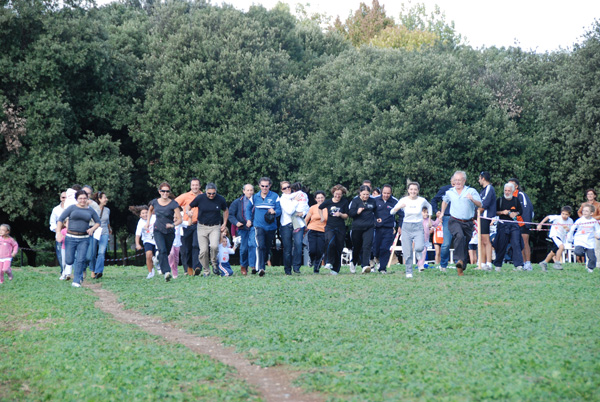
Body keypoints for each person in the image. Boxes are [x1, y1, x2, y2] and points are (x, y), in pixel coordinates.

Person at [55, 190, 101, 288]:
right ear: (76, 199)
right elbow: (60, 220)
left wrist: (92, 229)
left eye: (85, 198)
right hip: (70, 238)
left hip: (84, 238)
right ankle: (73, 272)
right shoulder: (71, 208)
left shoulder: (90, 210)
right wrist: (58, 232)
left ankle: (76, 280)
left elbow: (98, 222)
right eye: (80, 198)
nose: (83, 200)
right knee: (69, 260)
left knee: (80, 259)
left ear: (87, 199)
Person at [440, 171, 482, 276]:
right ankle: (458, 260)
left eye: (460, 180)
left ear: (464, 181)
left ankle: (461, 266)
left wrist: (472, 200)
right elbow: (445, 201)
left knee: (464, 242)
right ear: (453, 181)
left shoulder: (471, 191)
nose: (457, 182)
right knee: (459, 236)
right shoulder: (450, 192)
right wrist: (441, 213)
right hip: (454, 220)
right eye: (456, 180)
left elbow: (480, 204)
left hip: (468, 222)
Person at [390, 182, 432, 278]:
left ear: (418, 191)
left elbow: (430, 207)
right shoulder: (403, 200)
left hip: (418, 226)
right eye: (411, 189)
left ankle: (418, 253)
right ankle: (409, 271)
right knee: (407, 252)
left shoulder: (421, 200)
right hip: (406, 227)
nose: (413, 191)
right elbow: (391, 211)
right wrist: (399, 207)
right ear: (408, 190)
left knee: (420, 247)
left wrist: (429, 219)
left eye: (415, 189)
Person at [187, 183, 228, 276]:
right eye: (209, 193)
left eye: (213, 193)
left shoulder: (220, 199)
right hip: (202, 227)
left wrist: (224, 223)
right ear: (206, 192)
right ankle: (206, 270)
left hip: (215, 226)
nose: (211, 195)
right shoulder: (200, 198)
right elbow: (188, 206)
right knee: (203, 251)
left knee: (214, 246)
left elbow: (226, 210)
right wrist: (188, 212)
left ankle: (214, 263)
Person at [147, 182, 182, 282]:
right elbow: (150, 210)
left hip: (170, 231)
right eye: (163, 191)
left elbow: (180, 219)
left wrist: (173, 225)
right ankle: (166, 272)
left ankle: (157, 258)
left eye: (167, 191)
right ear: (159, 192)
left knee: (165, 252)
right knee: (162, 250)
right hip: (158, 230)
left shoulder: (173, 204)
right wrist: (148, 222)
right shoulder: (154, 202)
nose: (165, 193)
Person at [251, 177, 281, 276]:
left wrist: (275, 212)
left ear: (270, 186)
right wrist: (248, 219)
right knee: (260, 246)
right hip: (258, 226)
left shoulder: (275, 196)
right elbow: (248, 209)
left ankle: (262, 262)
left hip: (271, 227)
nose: (264, 188)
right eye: (262, 186)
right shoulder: (255, 197)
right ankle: (261, 269)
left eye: (266, 186)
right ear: (259, 186)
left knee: (267, 248)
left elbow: (280, 210)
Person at [280, 181, 309, 275]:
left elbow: (306, 207)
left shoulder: (297, 195)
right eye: (284, 188)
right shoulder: (283, 199)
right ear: (282, 190)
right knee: (287, 249)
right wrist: (296, 201)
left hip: (299, 224)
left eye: (288, 187)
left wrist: (303, 213)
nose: (287, 189)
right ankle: (287, 269)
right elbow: (289, 211)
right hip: (286, 224)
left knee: (298, 245)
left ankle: (296, 267)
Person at [493, 183, 524, 272]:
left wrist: (516, 213)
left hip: (514, 224)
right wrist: (502, 212)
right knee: (501, 244)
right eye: (505, 190)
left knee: (516, 243)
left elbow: (520, 211)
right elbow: (495, 212)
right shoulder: (500, 200)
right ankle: (498, 265)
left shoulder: (516, 200)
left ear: (513, 191)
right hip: (503, 224)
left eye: (509, 191)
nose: (507, 192)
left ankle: (519, 266)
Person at [319, 184, 349, 275]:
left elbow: (346, 216)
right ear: (333, 193)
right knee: (330, 242)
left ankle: (335, 269)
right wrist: (322, 217)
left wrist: (340, 214)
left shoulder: (344, 202)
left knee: (339, 247)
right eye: (336, 194)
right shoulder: (328, 202)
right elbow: (320, 208)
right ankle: (328, 262)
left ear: (342, 194)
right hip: (330, 227)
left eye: (339, 194)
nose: (337, 196)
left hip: (340, 227)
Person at [175, 178, 202, 276]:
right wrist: (177, 215)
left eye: (196, 185)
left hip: (199, 224)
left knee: (196, 245)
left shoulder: (203, 196)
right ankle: (188, 268)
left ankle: (197, 267)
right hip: (187, 225)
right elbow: (174, 204)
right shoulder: (185, 196)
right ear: (191, 186)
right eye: (193, 185)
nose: (195, 187)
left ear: (199, 186)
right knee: (187, 248)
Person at [348, 185, 378, 274]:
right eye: (364, 194)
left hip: (369, 227)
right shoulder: (355, 201)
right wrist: (357, 212)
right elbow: (350, 213)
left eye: (367, 194)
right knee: (357, 248)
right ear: (360, 193)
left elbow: (376, 211)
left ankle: (365, 265)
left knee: (367, 246)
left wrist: (378, 219)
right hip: (357, 228)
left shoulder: (372, 201)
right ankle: (353, 262)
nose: (365, 196)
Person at [228, 183, 256, 275]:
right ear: (243, 191)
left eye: (251, 190)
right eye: (247, 190)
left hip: (253, 227)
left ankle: (253, 266)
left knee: (253, 246)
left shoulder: (257, 201)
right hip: (242, 228)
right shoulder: (237, 202)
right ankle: (243, 266)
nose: (249, 192)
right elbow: (231, 215)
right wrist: (236, 222)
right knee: (244, 249)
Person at [373, 184, 400, 273]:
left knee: (385, 248)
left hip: (389, 229)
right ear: (381, 192)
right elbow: (369, 213)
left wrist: (400, 226)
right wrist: (375, 220)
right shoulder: (375, 200)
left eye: (388, 193)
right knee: (375, 248)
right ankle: (375, 260)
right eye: (384, 193)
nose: (386, 195)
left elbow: (402, 215)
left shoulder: (395, 201)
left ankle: (383, 268)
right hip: (376, 229)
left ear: (391, 193)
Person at [508, 178, 534, 271]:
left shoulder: (521, 195)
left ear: (516, 186)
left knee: (525, 242)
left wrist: (525, 224)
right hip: (514, 224)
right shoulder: (509, 197)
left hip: (523, 223)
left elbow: (527, 209)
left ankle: (528, 263)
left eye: (511, 185)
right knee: (518, 244)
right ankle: (522, 264)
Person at [537, 206, 573, 271]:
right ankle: (557, 263)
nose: (564, 216)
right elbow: (547, 217)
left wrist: (567, 229)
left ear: (569, 215)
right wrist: (540, 224)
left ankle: (544, 262)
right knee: (561, 247)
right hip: (554, 235)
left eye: (566, 214)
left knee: (553, 252)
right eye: (563, 214)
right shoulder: (557, 218)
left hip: (562, 237)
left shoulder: (570, 221)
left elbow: (569, 230)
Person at [567, 204, 600, 272]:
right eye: (583, 211)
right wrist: (570, 238)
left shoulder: (594, 221)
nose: (584, 212)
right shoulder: (580, 220)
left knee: (592, 258)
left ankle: (590, 269)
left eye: (586, 211)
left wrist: (598, 236)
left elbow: (598, 230)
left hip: (589, 241)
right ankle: (583, 251)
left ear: (591, 213)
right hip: (580, 240)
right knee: (578, 252)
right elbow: (572, 229)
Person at [430, 178, 454, 272]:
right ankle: (443, 264)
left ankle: (460, 262)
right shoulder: (445, 189)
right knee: (446, 243)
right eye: (454, 180)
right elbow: (434, 200)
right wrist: (437, 211)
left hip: (460, 219)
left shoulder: (465, 191)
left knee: (461, 240)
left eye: (458, 180)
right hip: (447, 217)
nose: (456, 182)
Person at [305, 190, 327, 273]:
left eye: (322, 197)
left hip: (323, 231)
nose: (320, 199)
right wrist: (304, 229)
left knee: (320, 251)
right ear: (315, 199)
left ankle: (316, 268)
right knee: (312, 250)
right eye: (318, 198)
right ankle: (311, 259)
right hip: (312, 230)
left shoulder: (327, 208)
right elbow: (306, 219)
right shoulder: (313, 208)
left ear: (324, 198)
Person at [478, 172, 496, 271]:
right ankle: (482, 263)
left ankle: (489, 263)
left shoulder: (489, 188)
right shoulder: (482, 190)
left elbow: (485, 203)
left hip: (486, 216)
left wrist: (478, 209)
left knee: (486, 240)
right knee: (481, 240)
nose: (479, 180)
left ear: (483, 178)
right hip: (480, 217)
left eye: (480, 178)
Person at [577, 189, 600, 268]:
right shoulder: (584, 204)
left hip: (595, 226)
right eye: (588, 194)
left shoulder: (598, 204)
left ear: (594, 195)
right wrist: (584, 219)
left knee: (596, 246)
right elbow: (579, 212)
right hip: (585, 228)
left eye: (591, 194)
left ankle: (597, 264)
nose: (590, 196)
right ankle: (588, 264)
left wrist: (591, 218)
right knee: (586, 245)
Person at [133, 205, 157, 279]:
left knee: (158, 256)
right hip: (148, 240)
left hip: (157, 240)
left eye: (146, 212)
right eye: (143, 213)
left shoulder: (154, 218)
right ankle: (150, 272)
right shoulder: (140, 222)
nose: (145, 214)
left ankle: (159, 266)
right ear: (140, 215)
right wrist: (137, 244)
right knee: (148, 255)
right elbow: (137, 234)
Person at [92, 191, 111, 279]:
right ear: (99, 199)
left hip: (104, 232)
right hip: (94, 232)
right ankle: (93, 270)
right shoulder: (92, 209)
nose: (106, 199)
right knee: (92, 253)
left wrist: (109, 229)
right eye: (104, 198)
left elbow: (107, 221)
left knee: (101, 252)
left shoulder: (107, 210)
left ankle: (99, 271)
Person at [82, 185, 101, 277]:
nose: (86, 195)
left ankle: (92, 269)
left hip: (93, 229)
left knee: (92, 252)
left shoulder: (94, 204)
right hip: (81, 229)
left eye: (88, 193)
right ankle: (83, 269)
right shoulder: (77, 204)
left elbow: (97, 217)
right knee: (82, 251)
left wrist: (90, 206)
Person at [49, 191, 67, 274]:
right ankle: (63, 270)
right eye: (63, 197)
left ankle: (69, 270)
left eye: (66, 197)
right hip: (60, 234)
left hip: (70, 234)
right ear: (60, 198)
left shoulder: (72, 207)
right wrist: (58, 230)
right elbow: (52, 223)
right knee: (60, 253)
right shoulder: (56, 209)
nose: (64, 199)